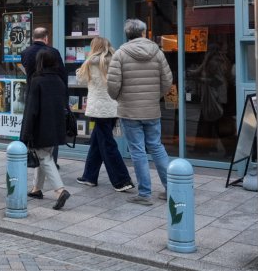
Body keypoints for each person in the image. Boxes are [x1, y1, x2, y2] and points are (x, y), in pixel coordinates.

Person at [108, 18, 173, 205]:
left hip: (129, 111)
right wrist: (155, 96)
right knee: (157, 147)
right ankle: (171, 188)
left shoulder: (120, 54)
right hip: (152, 109)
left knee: (137, 151)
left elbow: (113, 86)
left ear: (127, 34)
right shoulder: (157, 52)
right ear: (143, 33)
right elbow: (167, 81)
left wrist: (121, 98)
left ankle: (145, 194)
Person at [75, 37, 135, 192]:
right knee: (97, 141)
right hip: (113, 107)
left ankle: (121, 180)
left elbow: (80, 80)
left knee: (107, 144)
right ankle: (89, 176)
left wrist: (79, 71)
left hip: (98, 110)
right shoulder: (117, 61)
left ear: (94, 47)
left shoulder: (90, 62)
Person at [20, 48, 71, 210]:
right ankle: (36, 189)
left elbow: (31, 111)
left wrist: (25, 135)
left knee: (44, 158)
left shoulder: (37, 80)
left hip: (40, 127)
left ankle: (60, 190)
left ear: (39, 62)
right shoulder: (59, 80)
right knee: (45, 155)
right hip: (56, 126)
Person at [20, 27, 67, 168]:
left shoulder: (25, 53)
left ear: (33, 37)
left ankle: (33, 157)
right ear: (46, 38)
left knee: (31, 125)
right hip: (51, 95)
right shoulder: (53, 52)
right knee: (51, 127)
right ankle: (52, 161)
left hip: (32, 92)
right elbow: (62, 75)